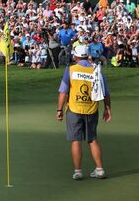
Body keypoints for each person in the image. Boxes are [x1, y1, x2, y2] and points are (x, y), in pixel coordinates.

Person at [56, 45, 111, 180]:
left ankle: (78, 171)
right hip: (91, 109)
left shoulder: (71, 69)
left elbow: (63, 91)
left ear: (76, 57)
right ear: (88, 56)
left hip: (74, 109)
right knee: (92, 140)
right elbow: (106, 93)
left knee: (76, 141)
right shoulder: (96, 70)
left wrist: (59, 110)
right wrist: (107, 108)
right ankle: (99, 169)